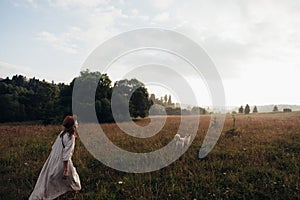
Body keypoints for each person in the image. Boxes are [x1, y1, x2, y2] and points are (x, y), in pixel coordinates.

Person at [29, 115, 81, 200]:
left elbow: (54, 147)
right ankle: (69, 193)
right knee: (72, 179)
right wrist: (66, 170)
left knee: (51, 177)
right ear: (73, 125)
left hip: (54, 158)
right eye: (75, 123)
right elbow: (66, 155)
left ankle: (67, 192)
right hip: (62, 161)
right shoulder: (70, 137)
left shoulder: (62, 134)